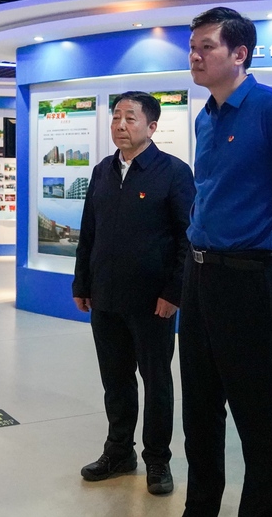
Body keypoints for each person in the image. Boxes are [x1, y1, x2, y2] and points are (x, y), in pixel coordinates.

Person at [179, 7, 272, 516]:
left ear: (239, 54)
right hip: (198, 275)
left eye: (207, 46)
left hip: (248, 279)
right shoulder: (205, 117)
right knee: (199, 410)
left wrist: (268, 261)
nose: (195, 56)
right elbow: (207, 192)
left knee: (257, 416)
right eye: (192, 47)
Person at [72, 91, 195, 494]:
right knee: (116, 380)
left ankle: (158, 459)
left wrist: (173, 293)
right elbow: (89, 232)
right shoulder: (102, 171)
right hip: (105, 297)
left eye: (130, 118)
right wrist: (82, 283)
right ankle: (119, 452)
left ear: (152, 126)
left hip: (152, 302)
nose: (120, 125)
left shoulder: (173, 172)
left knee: (156, 381)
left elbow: (187, 238)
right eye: (116, 117)